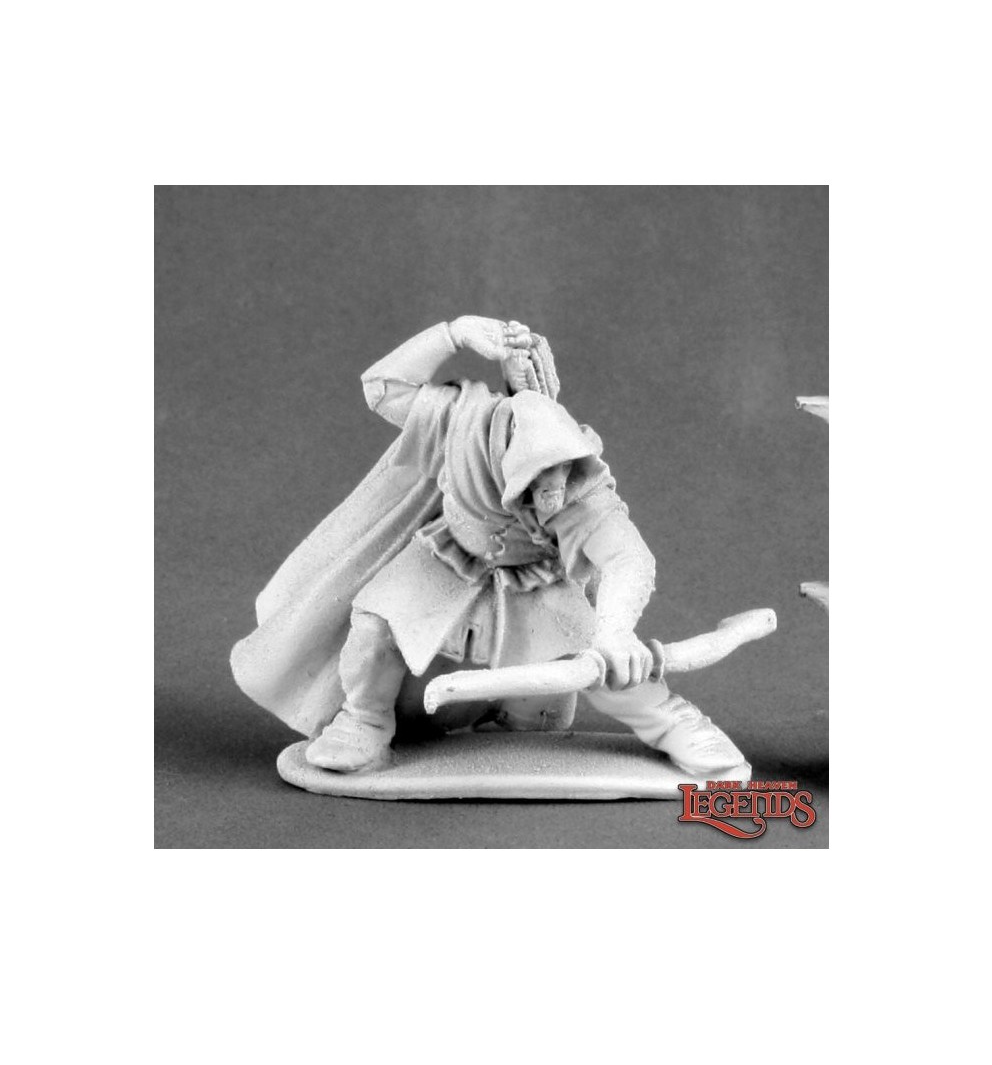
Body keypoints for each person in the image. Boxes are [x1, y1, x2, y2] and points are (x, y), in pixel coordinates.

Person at [231, 316, 746, 777]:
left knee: (591, 669)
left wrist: (616, 631)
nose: (551, 496)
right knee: (376, 623)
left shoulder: (578, 481)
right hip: (446, 560)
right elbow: (383, 388)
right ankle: (364, 720)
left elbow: (627, 557)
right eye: (537, 483)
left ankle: (673, 722)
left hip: (533, 580)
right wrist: (452, 335)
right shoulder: (463, 421)